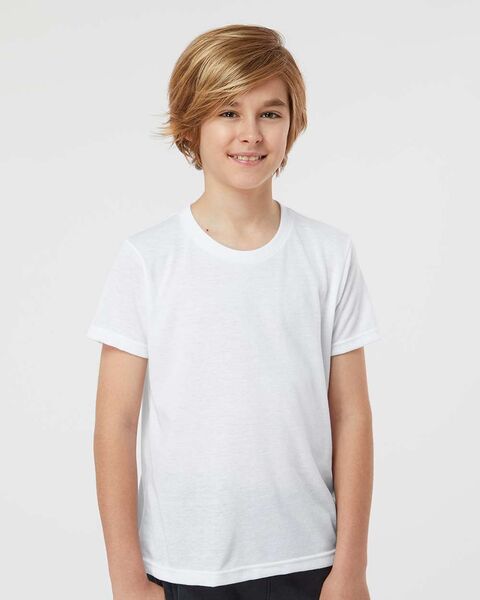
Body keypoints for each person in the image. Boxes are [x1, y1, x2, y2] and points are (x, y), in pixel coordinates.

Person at [87, 24, 381, 600]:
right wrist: (127, 582)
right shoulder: (148, 259)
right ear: (190, 124)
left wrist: (350, 569)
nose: (250, 133)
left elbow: (351, 416)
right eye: (228, 112)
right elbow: (114, 425)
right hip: (184, 566)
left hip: (308, 561)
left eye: (270, 113)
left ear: (293, 124)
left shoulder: (329, 255)